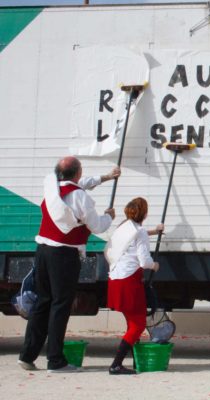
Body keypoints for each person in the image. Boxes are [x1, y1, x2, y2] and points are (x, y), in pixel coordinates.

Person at [18, 156, 119, 373]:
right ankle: (55, 360)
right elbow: (98, 226)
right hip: (64, 255)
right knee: (60, 305)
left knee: (43, 303)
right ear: (77, 173)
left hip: (43, 251)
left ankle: (27, 355)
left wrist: (106, 177)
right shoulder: (80, 197)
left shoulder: (52, 188)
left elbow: (79, 185)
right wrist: (109, 217)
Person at [104, 197, 163, 375]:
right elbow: (144, 261)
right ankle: (116, 364)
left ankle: (135, 360)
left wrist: (155, 231)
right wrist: (155, 265)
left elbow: (136, 235)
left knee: (132, 323)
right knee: (138, 325)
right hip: (130, 281)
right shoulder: (140, 232)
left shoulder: (123, 227)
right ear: (144, 214)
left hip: (115, 279)